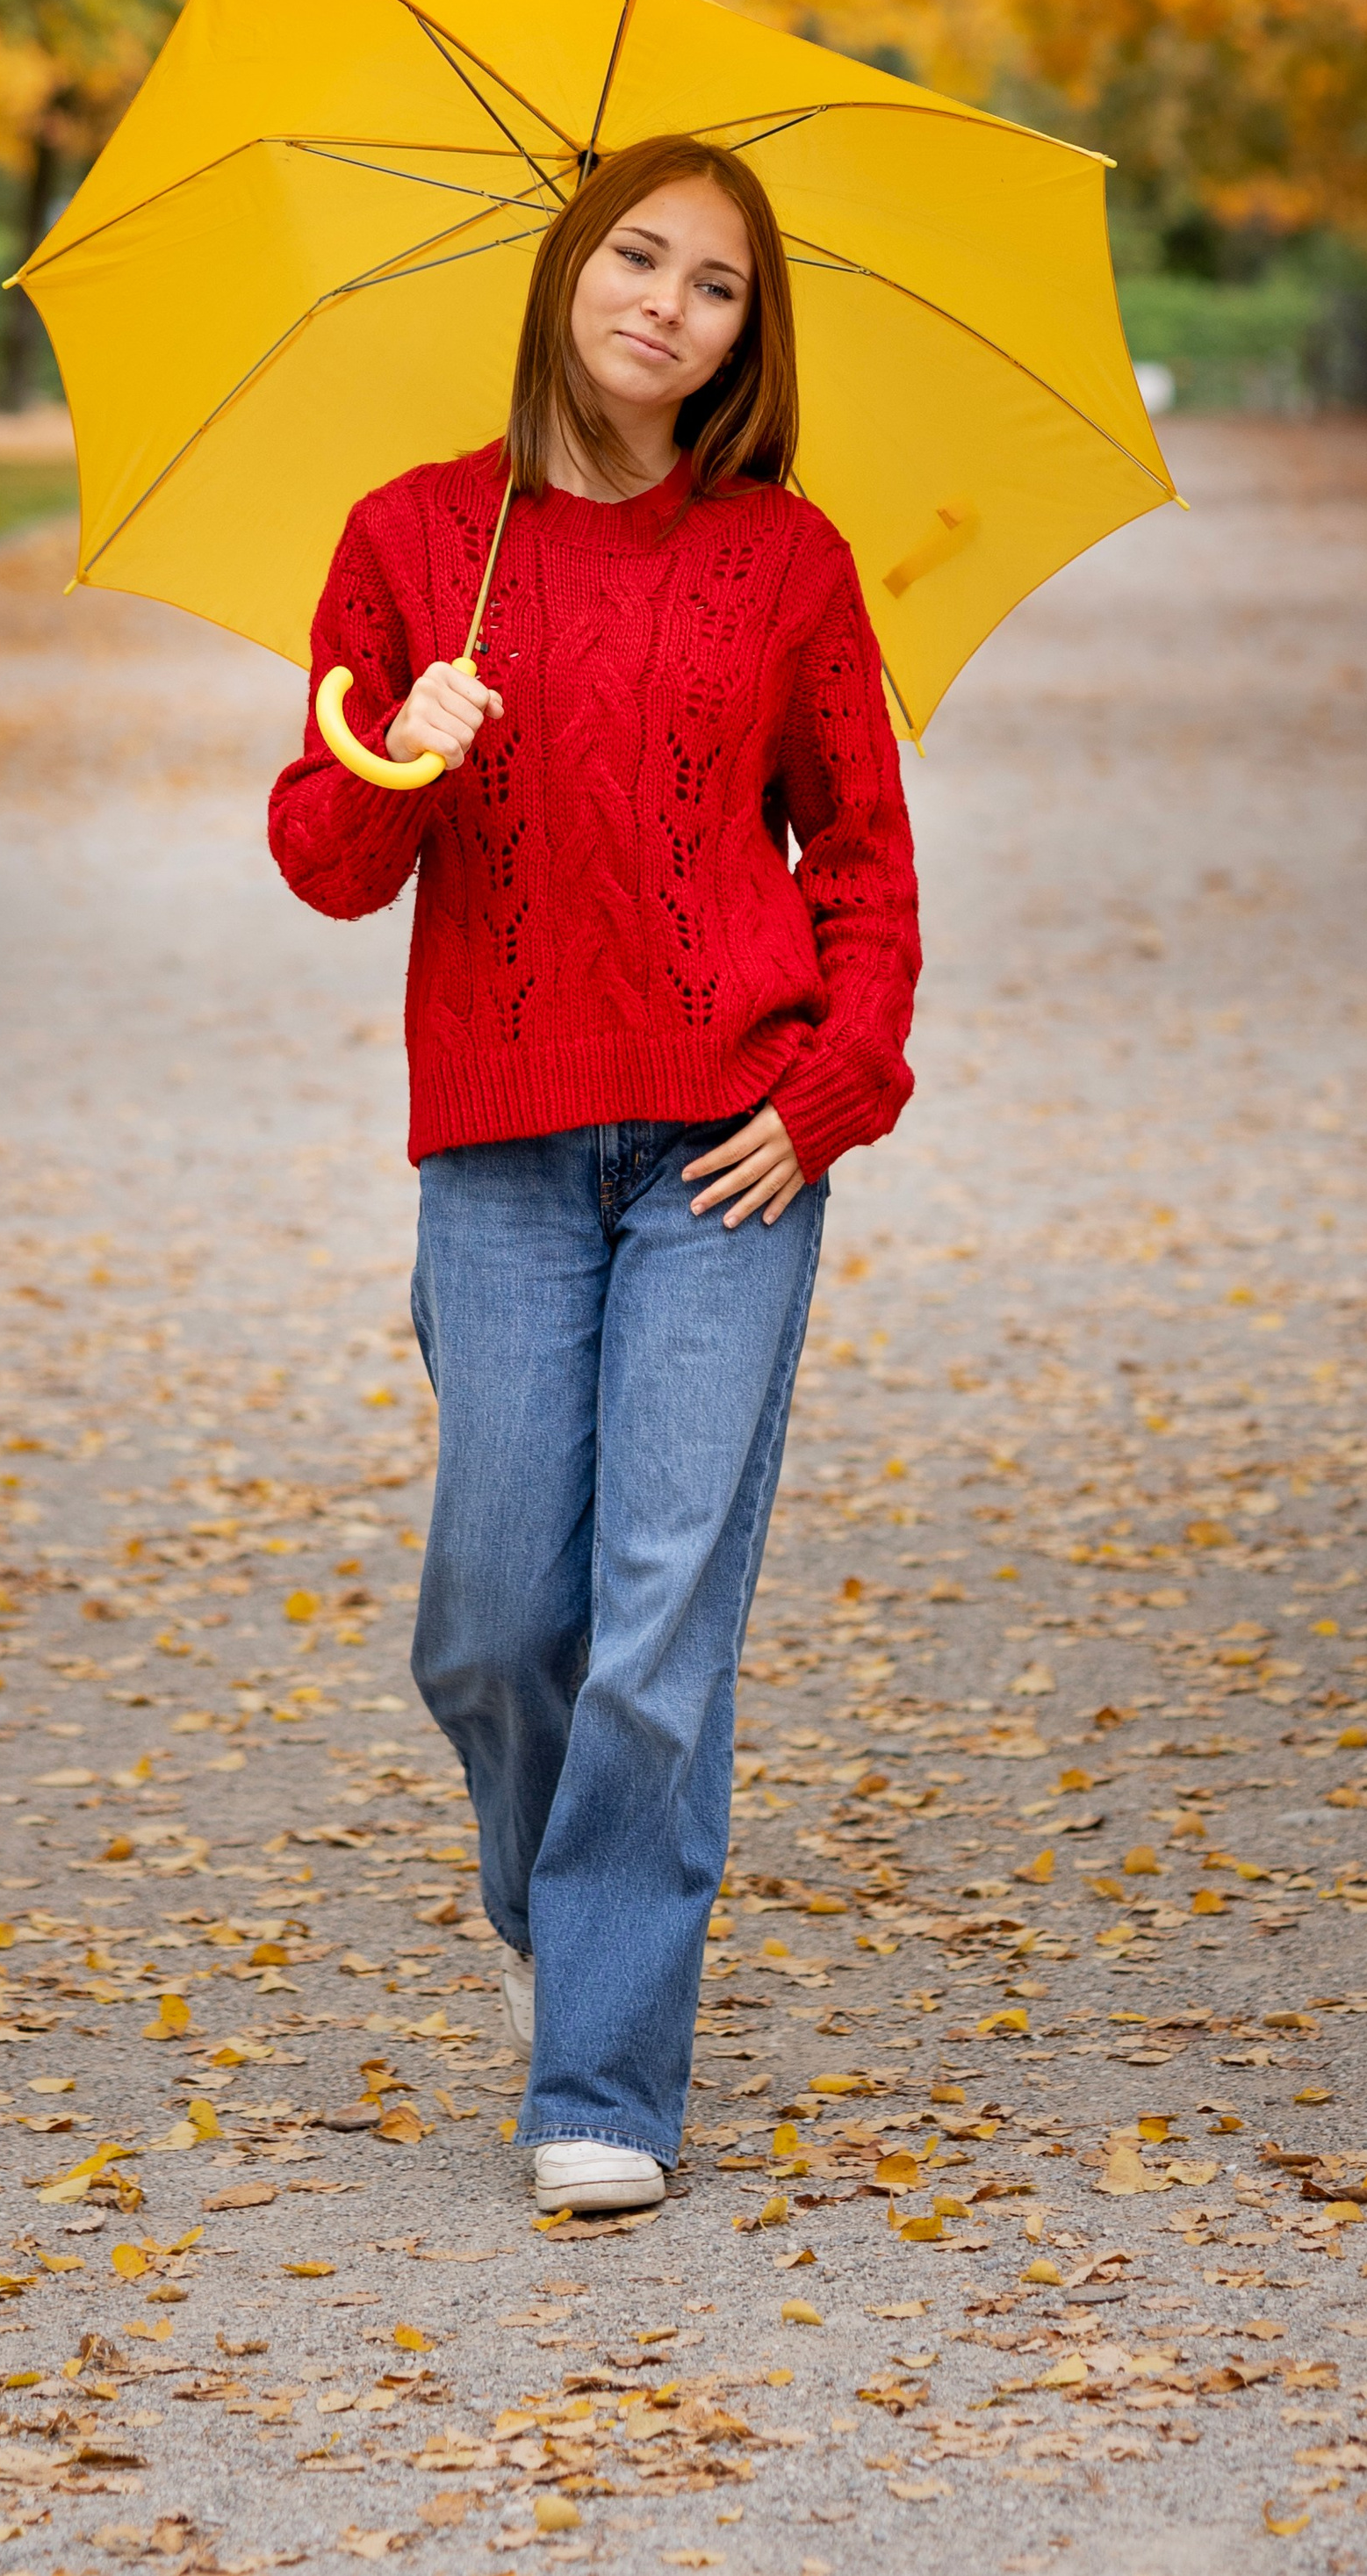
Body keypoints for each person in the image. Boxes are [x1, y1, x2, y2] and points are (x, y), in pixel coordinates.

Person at [269, 133, 920, 2214]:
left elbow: (865, 861)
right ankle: (585, 1902)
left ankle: (605, 2082)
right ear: (567, 265)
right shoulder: (409, 542)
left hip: (726, 1154)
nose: (665, 302)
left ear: (747, 332)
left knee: (655, 1620)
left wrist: (828, 1092)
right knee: (486, 1628)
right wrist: (409, 751)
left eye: (714, 284)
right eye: (637, 256)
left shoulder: (783, 557)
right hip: (500, 1153)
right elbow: (320, 859)